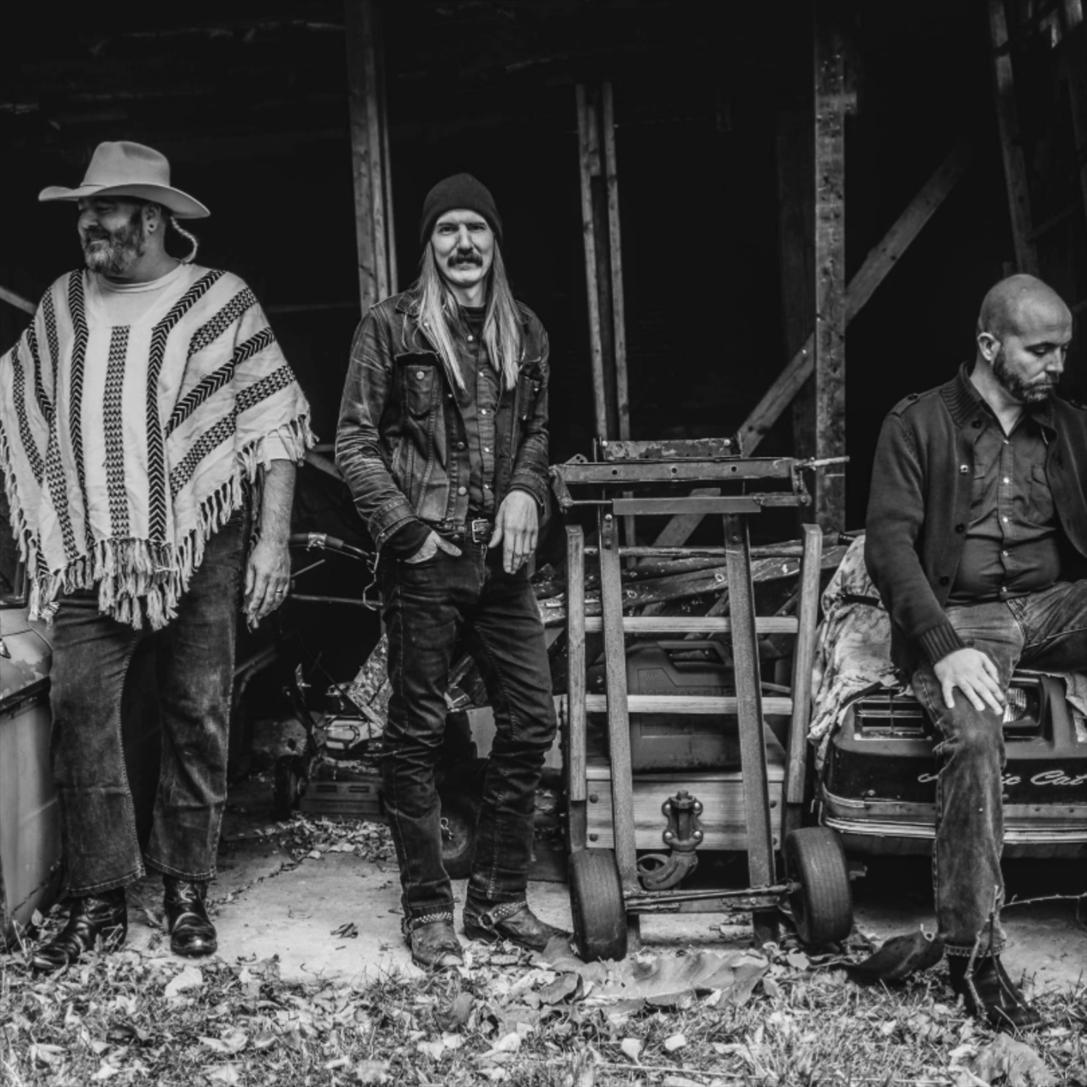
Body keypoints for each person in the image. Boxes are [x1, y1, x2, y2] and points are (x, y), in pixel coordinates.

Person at [0, 140, 312, 969]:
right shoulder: (63, 303)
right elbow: (18, 399)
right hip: (90, 548)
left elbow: (274, 422)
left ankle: (184, 886)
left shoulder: (218, 301)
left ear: (150, 218)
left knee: (196, 711)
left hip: (200, 542)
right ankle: (99, 896)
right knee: (79, 710)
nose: (87, 224)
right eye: (82, 211)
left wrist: (272, 541)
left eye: (101, 210)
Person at [336, 173, 565, 968]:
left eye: (475, 227)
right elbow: (355, 441)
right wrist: (406, 532)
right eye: (446, 229)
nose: (462, 243)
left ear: (494, 240)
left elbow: (537, 432)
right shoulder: (390, 326)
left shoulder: (525, 330)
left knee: (530, 721)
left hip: (500, 564)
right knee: (417, 733)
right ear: (429, 244)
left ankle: (497, 899)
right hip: (426, 558)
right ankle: (429, 909)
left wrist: (528, 490)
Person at [865, 273, 1085, 1030]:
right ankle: (971, 954)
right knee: (974, 734)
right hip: (965, 614)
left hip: (1054, 604)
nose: (1056, 364)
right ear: (990, 345)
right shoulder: (917, 424)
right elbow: (888, 547)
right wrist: (942, 646)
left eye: (1063, 350)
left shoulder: (1069, 426)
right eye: (1040, 350)